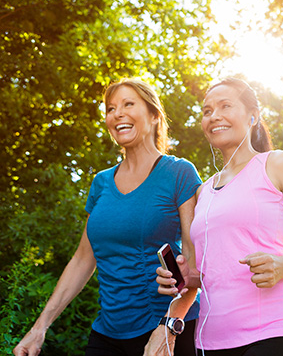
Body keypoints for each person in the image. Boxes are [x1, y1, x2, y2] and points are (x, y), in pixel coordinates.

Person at [13, 79, 200, 356]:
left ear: (153, 115)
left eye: (128, 104)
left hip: (163, 330)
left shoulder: (179, 173)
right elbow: (82, 260)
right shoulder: (101, 182)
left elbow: (196, 266)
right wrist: (39, 327)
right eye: (111, 108)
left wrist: (169, 326)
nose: (117, 113)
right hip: (106, 333)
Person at [144, 78, 283, 356]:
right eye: (207, 111)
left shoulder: (276, 163)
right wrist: (182, 277)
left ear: (253, 116)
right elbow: (206, 275)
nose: (214, 116)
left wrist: (282, 265)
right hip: (211, 339)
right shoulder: (204, 190)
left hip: (273, 329)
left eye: (225, 106)